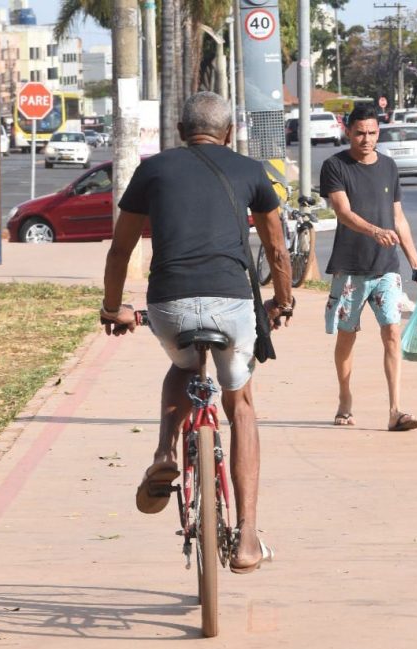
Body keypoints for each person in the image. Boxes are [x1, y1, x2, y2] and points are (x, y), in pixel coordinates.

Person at [100, 91, 293, 574]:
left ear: (181, 132)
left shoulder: (154, 169)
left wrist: (112, 308)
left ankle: (165, 450)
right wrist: (283, 302)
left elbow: (120, 251)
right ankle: (247, 536)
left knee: (181, 366)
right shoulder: (252, 172)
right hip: (232, 303)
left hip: (170, 303)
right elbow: (277, 249)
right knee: (241, 405)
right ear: (228, 133)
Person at [319, 104, 417, 432]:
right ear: (347, 130)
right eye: (359, 133)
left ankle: (396, 410)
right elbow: (342, 211)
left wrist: (415, 260)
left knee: (392, 333)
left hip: (386, 268)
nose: (365, 139)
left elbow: (398, 218)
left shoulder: (389, 167)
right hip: (350, 268)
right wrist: (374, 231)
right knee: (346, 337)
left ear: (377, 132)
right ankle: (345, 399)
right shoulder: (335, 166)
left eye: (371, 133)